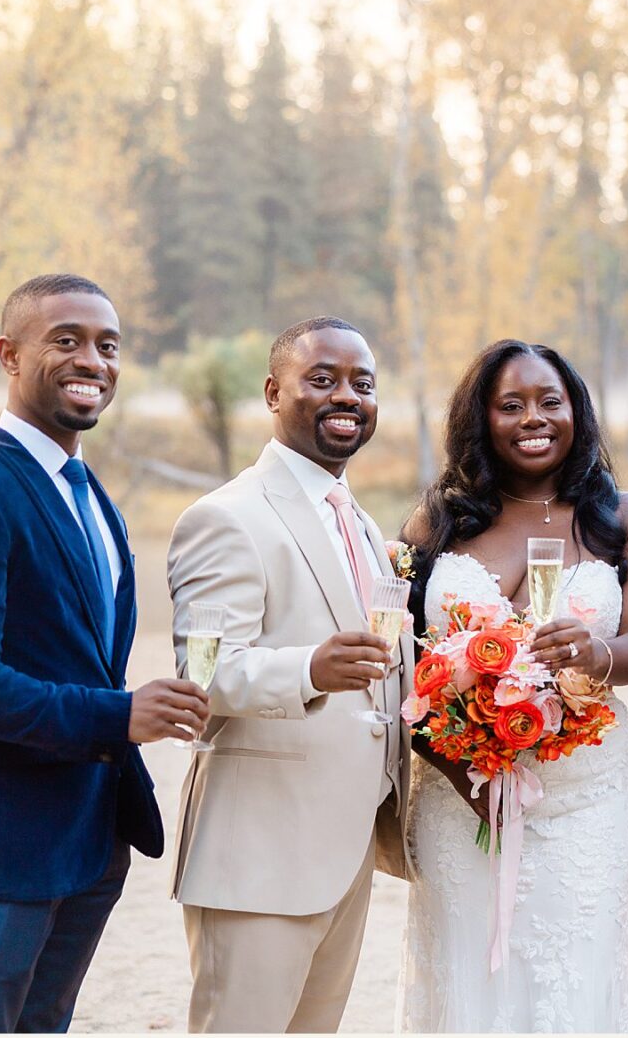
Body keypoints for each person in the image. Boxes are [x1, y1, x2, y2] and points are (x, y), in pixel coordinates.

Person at [0, 274, 212, 1032]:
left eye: (108, 345)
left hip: (87, 842)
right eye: (66, 340)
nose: (93, 361)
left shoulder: (89, 491)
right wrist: (119, 714)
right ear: (9, 354)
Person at [397, 340, 628, 1032]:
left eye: (551, 401)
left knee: (577, 970)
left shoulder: (626, 518)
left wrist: (596, 653)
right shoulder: (437, 522)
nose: (534, 418)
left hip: (589, 797)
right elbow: (402, 665)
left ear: (576, 409)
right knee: (468, 972)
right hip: (461, 802)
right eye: (511, 404)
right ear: (480, 418)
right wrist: (461, 770)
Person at [165, 316, 412, 1032]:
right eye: (323, 379)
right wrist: (311, 666)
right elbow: (205, 680)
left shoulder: (360, 522)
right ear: (274, 392)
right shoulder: (227, 518)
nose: (348, 397)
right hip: (259, 860)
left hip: (345, 853)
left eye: (363, 385)